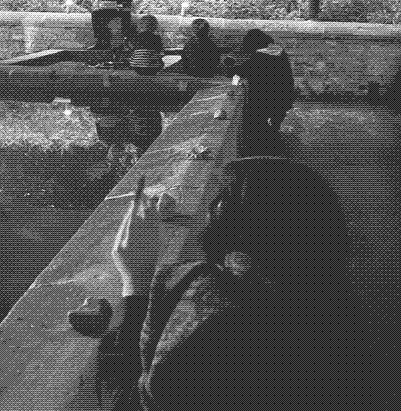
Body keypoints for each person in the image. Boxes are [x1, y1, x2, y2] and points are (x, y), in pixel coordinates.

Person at [69, 157, 358, 411]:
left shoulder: (221, 314)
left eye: (220, 200)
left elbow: (125, 402)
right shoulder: (326, 301)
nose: (207, 210)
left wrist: (135, 282)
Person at [223, 28, 294, 155]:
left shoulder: (258, 57)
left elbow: (236, 74)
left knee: (251, 118)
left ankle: (258, 150)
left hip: (265, 100)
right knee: (273, 122)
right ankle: (272, 138)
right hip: (285, 95)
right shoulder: (278, 51)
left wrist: (232, 89)